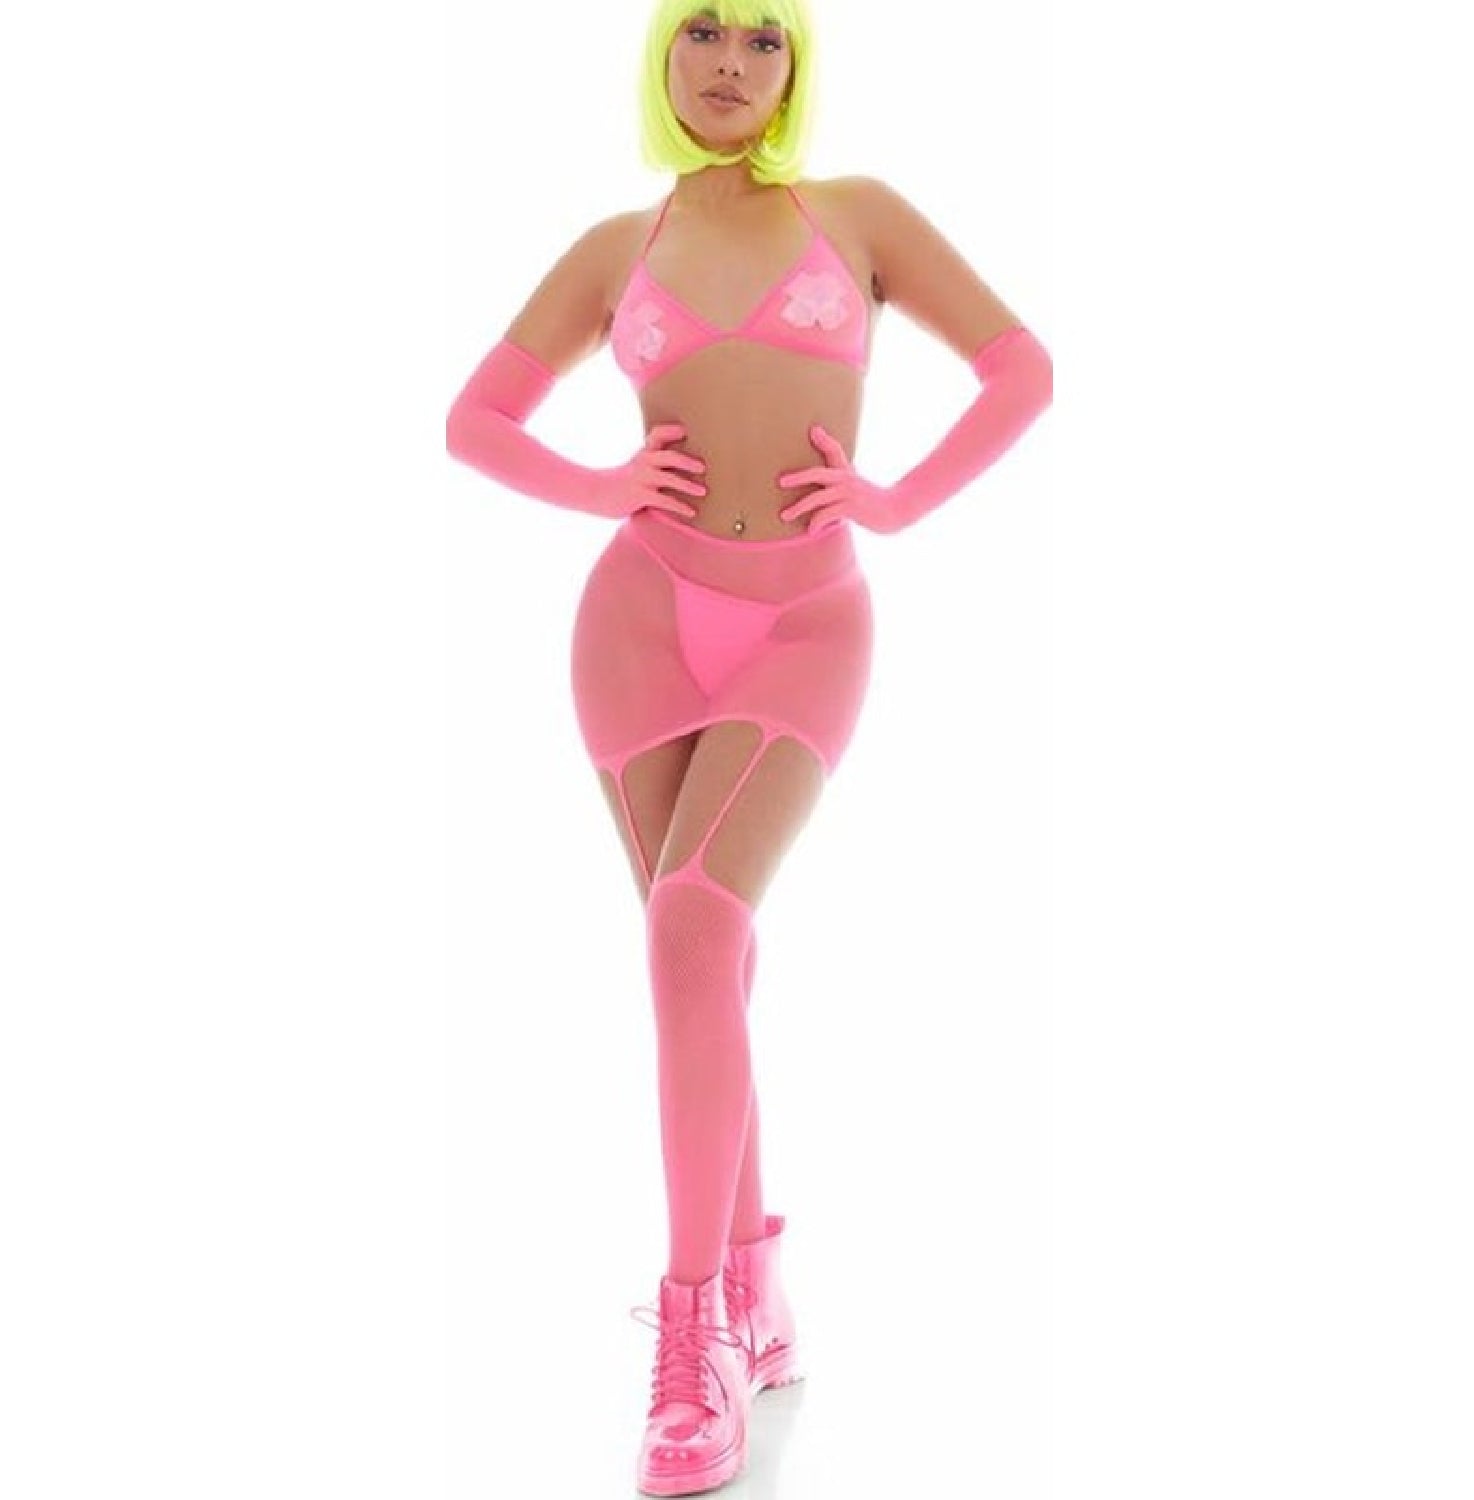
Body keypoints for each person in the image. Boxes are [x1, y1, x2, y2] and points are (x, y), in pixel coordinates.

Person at [446, 0, 1052, 1491]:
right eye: (705, 30)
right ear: (662, 53)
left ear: (797, 66)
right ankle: (754, 1303)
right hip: (639, 623)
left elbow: (1021, 367)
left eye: (765, 37)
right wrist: (600, 489)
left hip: (806, 626)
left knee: (693, 927)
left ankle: (690, 1329)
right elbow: (475, 421)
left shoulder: (860, 217)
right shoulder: (616, 250)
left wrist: (899, 503)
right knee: (697, 955)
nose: (732, 62)